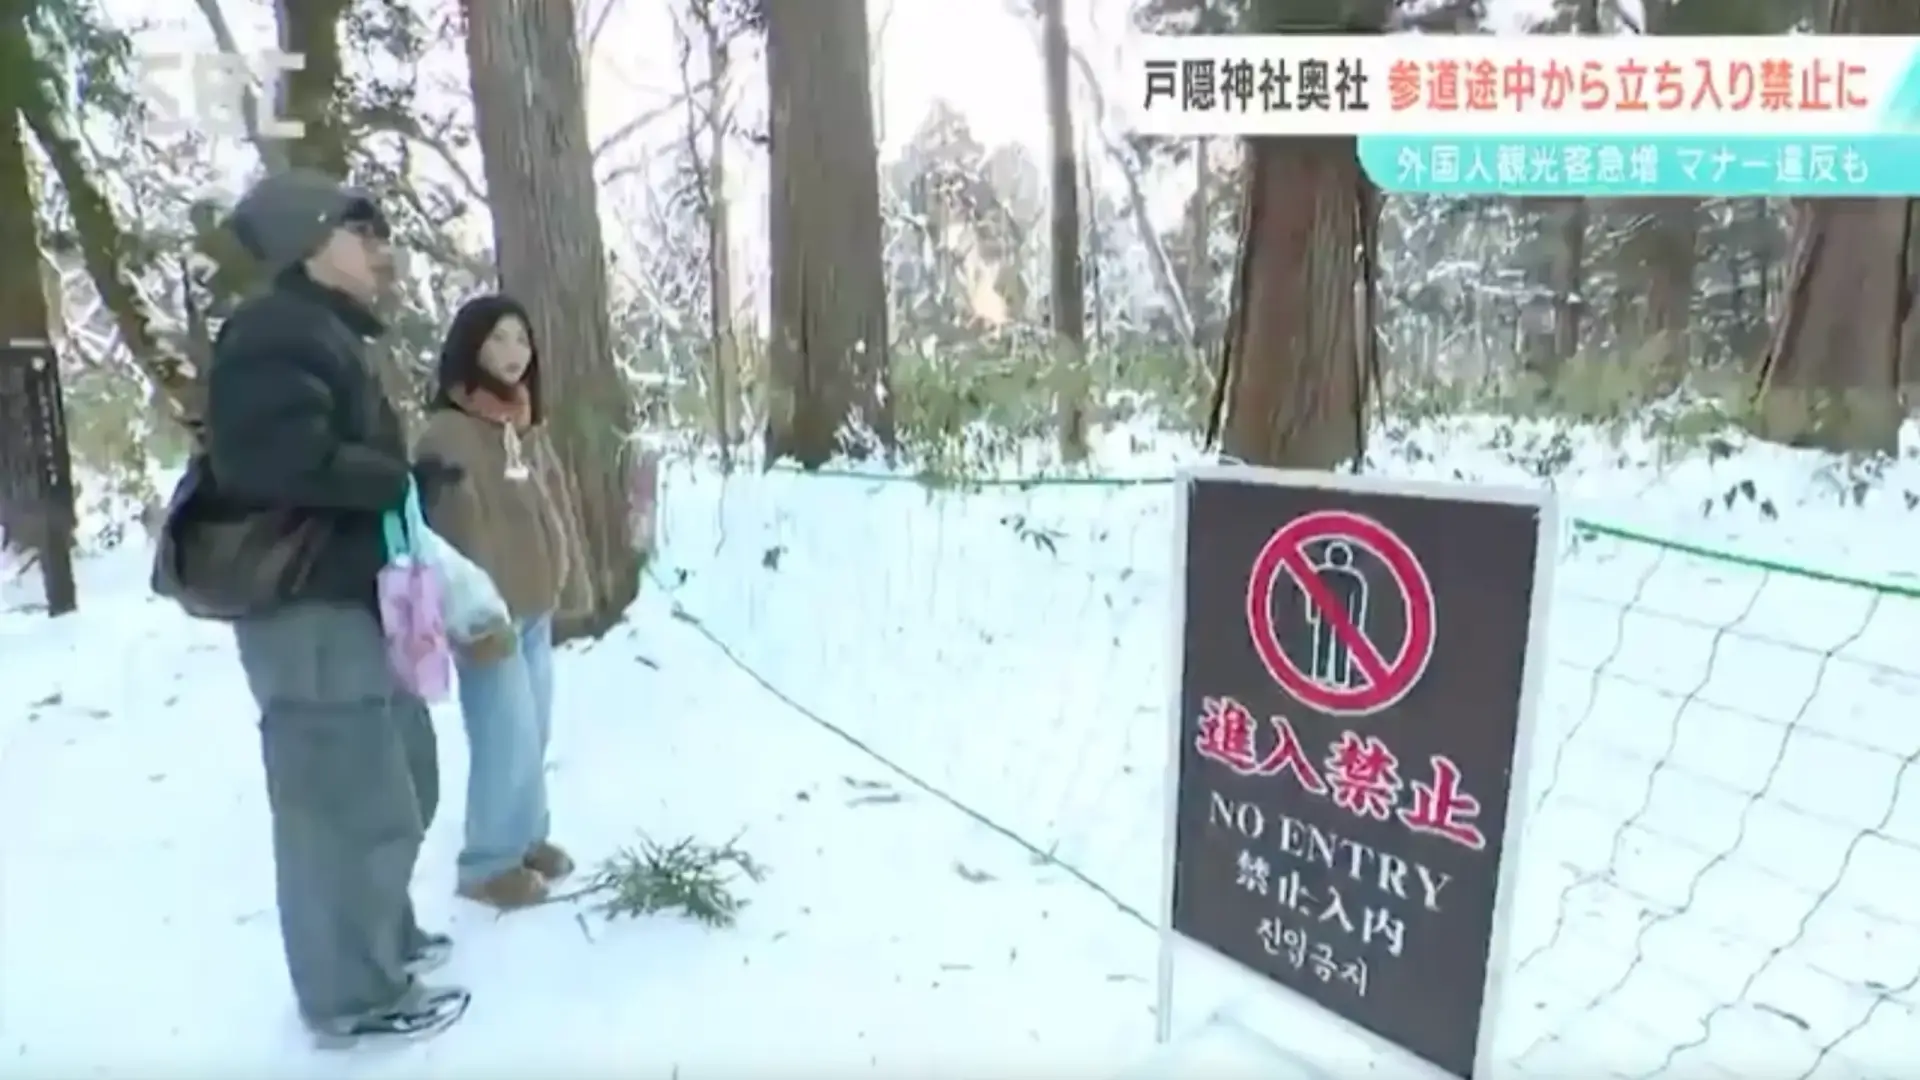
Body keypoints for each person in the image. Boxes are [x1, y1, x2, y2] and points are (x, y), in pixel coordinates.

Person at [199, 170, 470, 1045]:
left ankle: (379, 941)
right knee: (339, 804)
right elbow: (273, 460)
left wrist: (404, 485)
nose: (384, 251)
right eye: (365, 234)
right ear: (311, 243)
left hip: (353, 598)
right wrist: (396, 477)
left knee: (398, 777)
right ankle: (351, 998)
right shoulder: (276, 331)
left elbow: (321, 454)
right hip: (304, 605)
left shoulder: (323, 331)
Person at [415, 294, 592, 910]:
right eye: (498, 341)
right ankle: (487, 863)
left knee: (533, 729)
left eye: (522, 340)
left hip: (534, 604)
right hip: (487, 617)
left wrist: (570, 581)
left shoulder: (521, 424)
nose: (514, 355)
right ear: (470, 348)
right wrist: (463, 611)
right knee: (503, 734)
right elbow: (438, 531)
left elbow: (551, 509)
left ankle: (525, 840)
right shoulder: (446, 433)